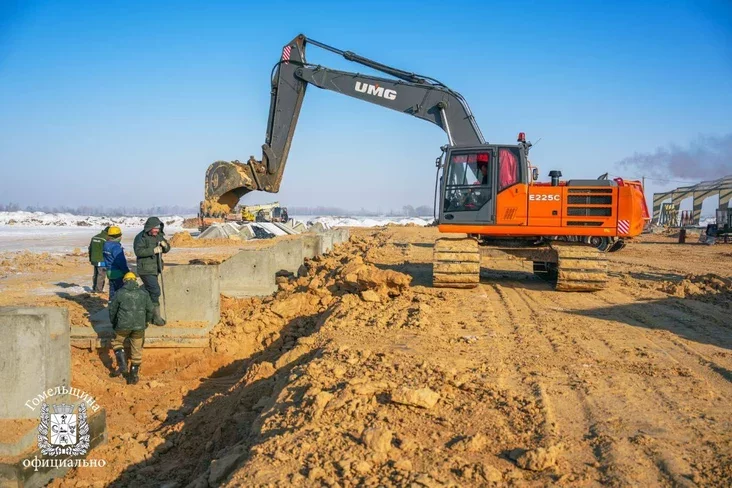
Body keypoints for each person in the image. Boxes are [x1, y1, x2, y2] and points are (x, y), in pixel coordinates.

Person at [109, 272, 154, 385]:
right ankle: (133, 376)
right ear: (135, 281)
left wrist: (114, 323)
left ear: (124, 281)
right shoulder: (144, 293)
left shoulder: (120, 293)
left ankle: (122, 365)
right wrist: (145, 322)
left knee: (117, 342)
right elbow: (150, 310)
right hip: (139, 327)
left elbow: (112, 310)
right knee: (137, 350)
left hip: (122, 326)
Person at [133, 217, 170, 326]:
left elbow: (167, 249)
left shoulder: (159, 236)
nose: (156, 231)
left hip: (155, 268)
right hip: (145, 269)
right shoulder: (141, 237)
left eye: (158, 229)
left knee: (149, 291)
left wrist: (165, 246)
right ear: (149, 228)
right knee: (155, 291)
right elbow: (138, 252)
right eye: (155, 229)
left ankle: (144, 313)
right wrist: (152, 251)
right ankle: (156, 317)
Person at [103, 226, 129, 302]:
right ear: (117, 236)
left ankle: (111, 305)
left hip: (109, 272)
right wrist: (127, 272)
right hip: (118, 273)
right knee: (120, 293)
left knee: (112, 291)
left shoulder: (106, 245)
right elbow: (120, 261)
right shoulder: (116, 247)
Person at [88, 226, 110, 293]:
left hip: (94, 259)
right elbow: (107, 250)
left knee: (96, 274)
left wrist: (90, 258)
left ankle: (94, 289)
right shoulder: (106, 239)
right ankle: (98, 290)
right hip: (101, 259)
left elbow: (90, 248)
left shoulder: (94, 237)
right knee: (101, 275)